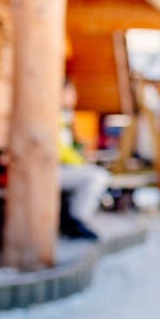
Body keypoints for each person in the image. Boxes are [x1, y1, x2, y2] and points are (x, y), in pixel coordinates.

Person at [59, 78, 109, 240]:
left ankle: (76, 220)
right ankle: (76, 220)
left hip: (64, 166)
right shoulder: (54, 117)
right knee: (96, 177)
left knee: (97, 175)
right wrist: (81, 160)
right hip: (52, 169)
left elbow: (69, 147)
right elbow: (59, 150)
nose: (74, 96)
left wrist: (81, 154)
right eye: (71, 92)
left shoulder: (65, 117)